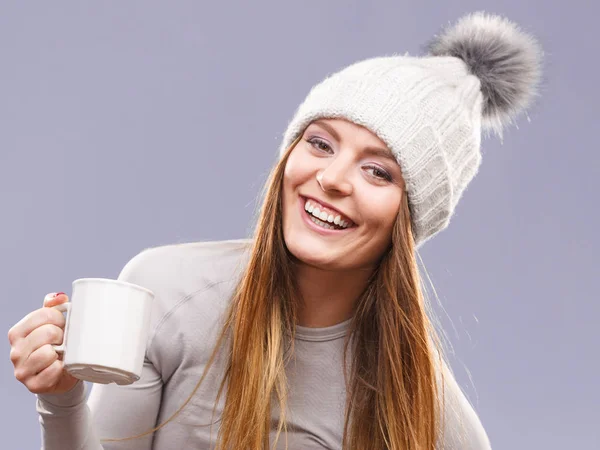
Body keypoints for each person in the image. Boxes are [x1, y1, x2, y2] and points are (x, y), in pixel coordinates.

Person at [8, 11, 542, 450]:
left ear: (413, 216)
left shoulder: (431, 416)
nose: (331, 179)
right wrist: (62, 401)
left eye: (378, 171)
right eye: (320, 143)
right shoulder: (166, 289)